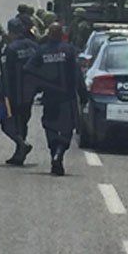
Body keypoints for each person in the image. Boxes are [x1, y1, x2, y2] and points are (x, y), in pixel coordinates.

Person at [24, 23, 88, 176]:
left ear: (49, 34)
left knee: (50, 126)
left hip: (50, 96)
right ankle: (59, 153)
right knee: (67, 128)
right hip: (67, 97)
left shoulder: (42, 51)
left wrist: (38, 85)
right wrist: (83, 94)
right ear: (61, 35)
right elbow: (77, 74)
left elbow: (28, 69)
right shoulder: (69, 50)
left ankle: (55, 154)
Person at [0, 18, 39, 165]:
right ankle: (19, 153)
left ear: (11, 32)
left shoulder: (11, 49)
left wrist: (1, 93)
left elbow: (5, 73)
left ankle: (21, 144)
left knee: (6, 122)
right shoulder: (34, 46)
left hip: (13, 93)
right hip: (29, 92)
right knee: (23, 122)